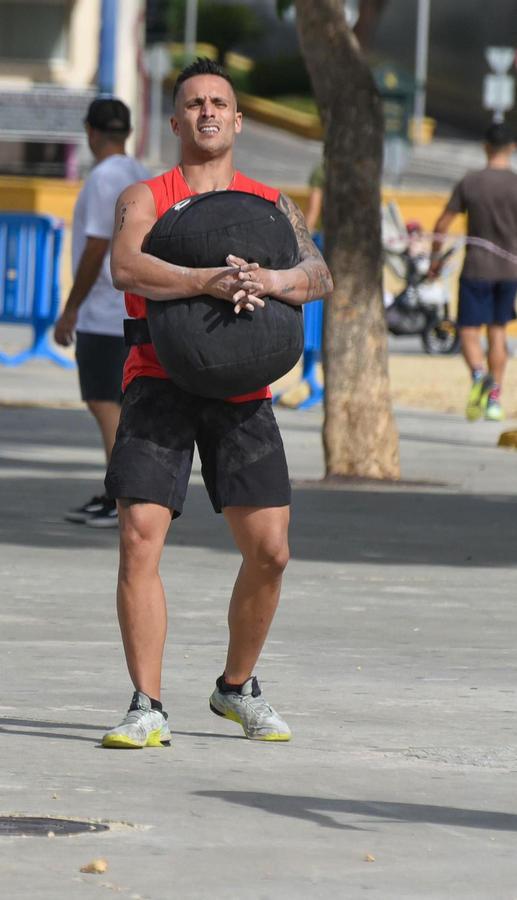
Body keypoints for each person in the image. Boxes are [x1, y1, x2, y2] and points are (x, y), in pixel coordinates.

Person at [102, 57, 331, 748]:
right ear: (175, 121)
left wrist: (272, 276)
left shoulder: (269, 204)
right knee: (140, 537)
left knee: (273, 550)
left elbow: (318, 272)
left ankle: (236, 687)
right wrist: (205, 279)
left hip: (242, 388)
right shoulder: (145, 196)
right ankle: (146, 705)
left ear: (237, 119)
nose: (207, 112)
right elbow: (125, 266)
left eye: (219, 103)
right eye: (194, 103)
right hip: (157, 379)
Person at [53, 98, 150, 528]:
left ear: (91, 132)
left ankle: (121, 496)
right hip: (135, 310)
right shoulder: (141, 175)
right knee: (122, 404)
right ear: (126, 133)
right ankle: (120, 490)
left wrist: (70, 309)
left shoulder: (101, 179)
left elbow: (96, 247)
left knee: (104, 402)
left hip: (102, 313)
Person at [429, 123, 517, 422]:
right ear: (512, 147)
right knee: (498, 332)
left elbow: (441, 225)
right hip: (509, 270)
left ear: (485, 146)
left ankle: (478, 376)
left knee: (468, 332)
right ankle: (495, 399)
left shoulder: (470, 183)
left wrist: (435, 261)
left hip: (476, 268)